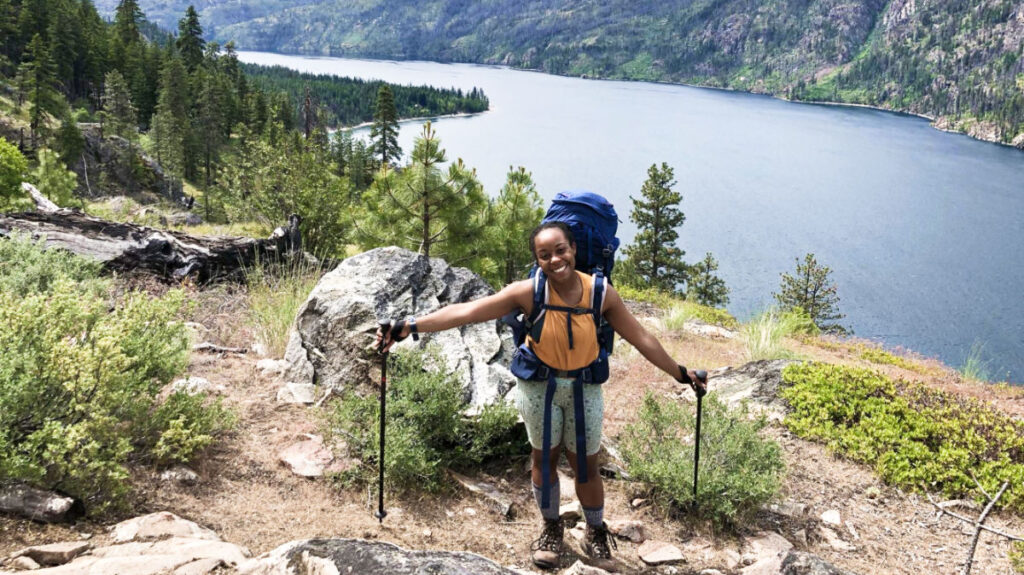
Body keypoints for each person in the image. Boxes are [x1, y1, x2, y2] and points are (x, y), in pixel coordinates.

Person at [376, 221, 707, 572]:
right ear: (537, 259)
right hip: (539, 388)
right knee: (544, 459)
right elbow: (468, 311)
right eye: (544, 255)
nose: (555, 260)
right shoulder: (528, 292)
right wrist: (411, 325)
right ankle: (551, 528)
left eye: (560, 250)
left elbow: (641, 337)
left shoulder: (600, 292)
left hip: (584, 388)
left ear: (574, 249)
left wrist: (679, 372)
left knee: (586, 465)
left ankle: (595, 529)